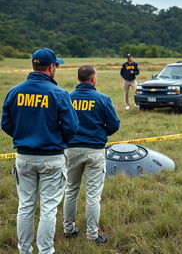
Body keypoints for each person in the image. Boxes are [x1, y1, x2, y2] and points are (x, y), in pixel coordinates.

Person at [1, 48, 79, 254]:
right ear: (51, 67)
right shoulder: (59, 93)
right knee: (48, 209)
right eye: (56, 66)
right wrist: (57, 140)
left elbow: (6, 123)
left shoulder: (15, 91)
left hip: (24, 157)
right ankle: (46, 251)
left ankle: (24, 250)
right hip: (51, 158)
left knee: (25, 207)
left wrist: (23, 137)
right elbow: (72, 127)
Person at [63, 65, 120, 244]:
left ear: (78, 78)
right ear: (93, 79)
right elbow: (114, 125)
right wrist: (101, 131)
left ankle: (68, 229)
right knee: (93, 195)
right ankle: (92, 235)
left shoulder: (67, 98)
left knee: (71, 190)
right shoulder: (102, 99)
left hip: (71, 149)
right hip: (95, 150)